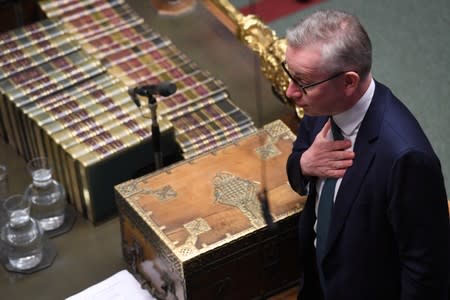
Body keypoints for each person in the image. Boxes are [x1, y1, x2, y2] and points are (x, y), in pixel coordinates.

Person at [284, 9, 449, 300]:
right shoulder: (320, 105)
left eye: (302, 82)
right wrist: (305, 164)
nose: (290, 92)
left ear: (349, 82)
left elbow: (425, 274)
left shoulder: (406, 157)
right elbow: (298, 162)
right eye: (290, 76)